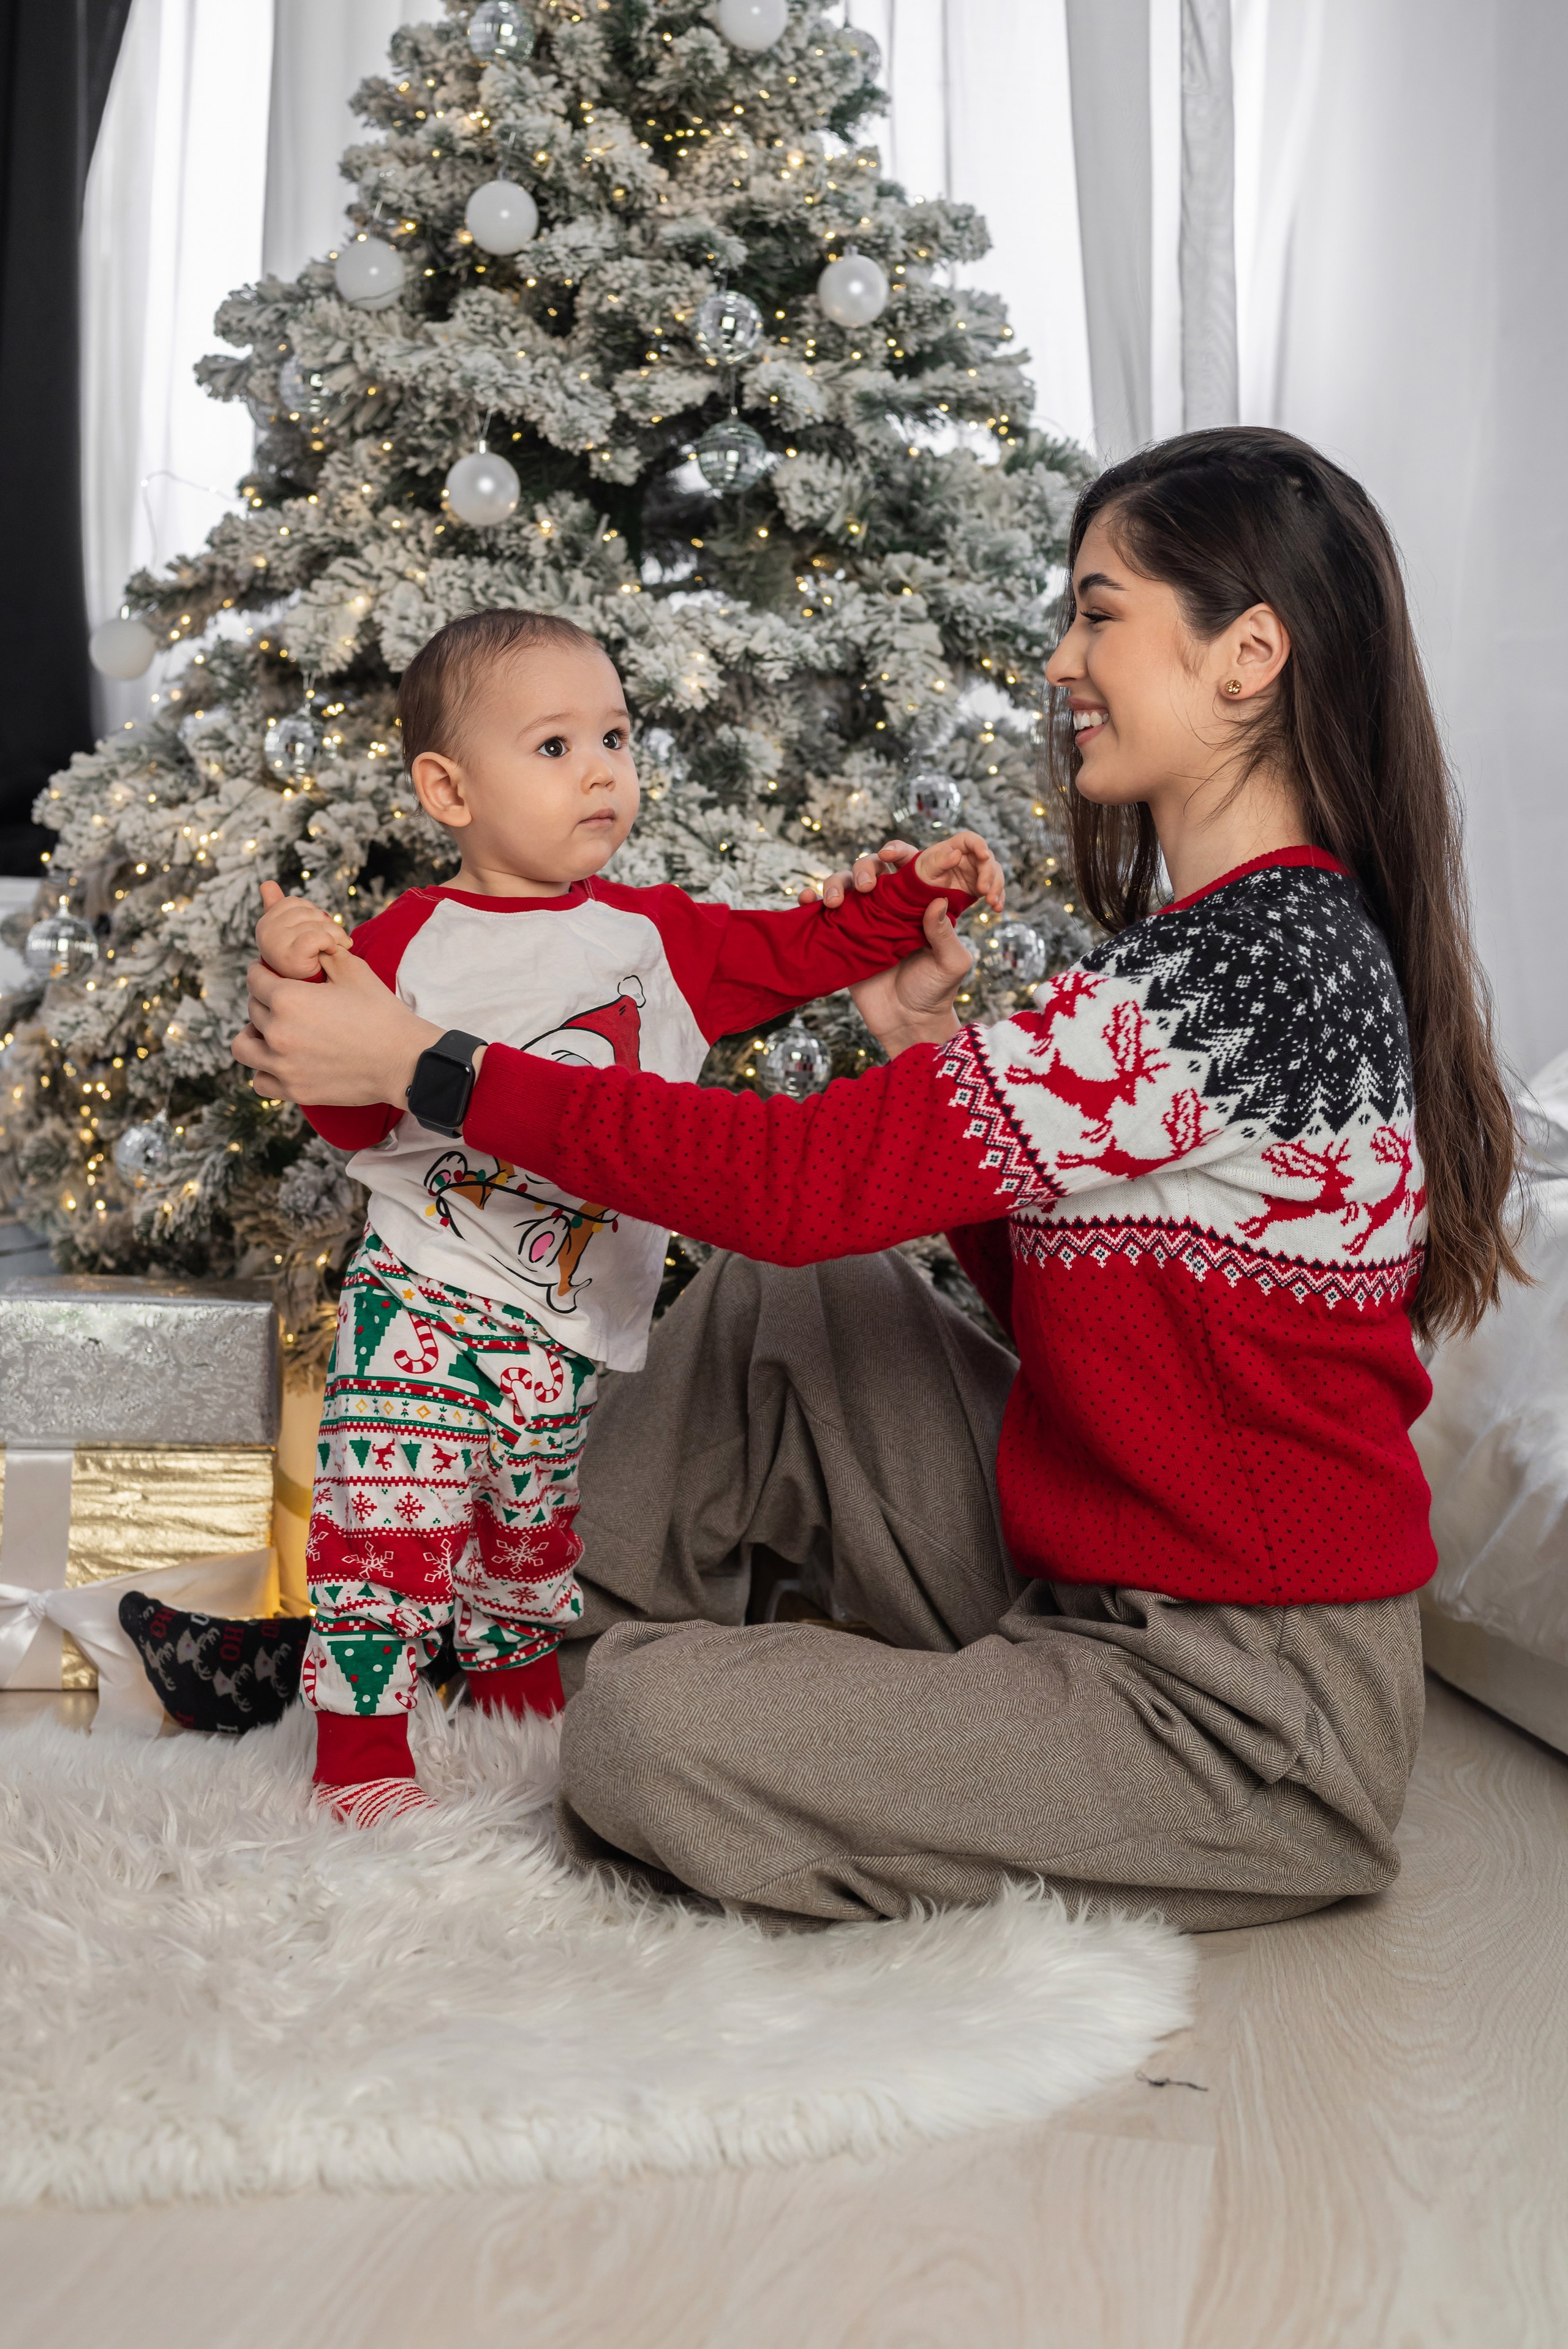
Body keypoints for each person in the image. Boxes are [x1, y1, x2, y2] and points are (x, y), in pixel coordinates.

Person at [233, 429, 1522, 1927]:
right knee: (798, 1298)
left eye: (1097, 613)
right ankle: (442, 1640)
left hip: (1242, 1712)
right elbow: (1086, 1315)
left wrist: (424, 1062)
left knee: (648, 1733)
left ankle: (582, 1664)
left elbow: (793, 1179)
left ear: (1246, 654)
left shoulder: (1252, 973)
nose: (1059, 660)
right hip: (1093, 1581)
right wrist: (918, 1044)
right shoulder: (1212, 949)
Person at [235, 608, 1001, 1826]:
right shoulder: (409, 943)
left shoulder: (653, 941)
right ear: (448, 790)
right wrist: (303, 968)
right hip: (425, 1292)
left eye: (615, 737)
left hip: (567, 1321)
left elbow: (802, 947)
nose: (601, 770)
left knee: (530, 1536)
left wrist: (912, 895)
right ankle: (359, 1755)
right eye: (554, 746)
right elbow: (344, 1108)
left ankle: (527, 1731)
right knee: (391, 1522)